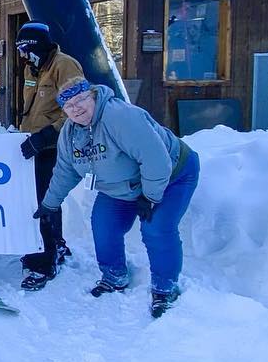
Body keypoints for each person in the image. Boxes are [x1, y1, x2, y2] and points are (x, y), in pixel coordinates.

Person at [34, 78, 199, 318]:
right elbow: (64, 172)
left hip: (171, 175)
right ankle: (114, 276)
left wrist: (151, 197)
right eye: (69, 106)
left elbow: (156, 159)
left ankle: (165, 288)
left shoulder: (120, 117)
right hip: (122, 186)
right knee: (103, 225)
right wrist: (50, 204)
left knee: (156, 228)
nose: (76, 108)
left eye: (81, 100)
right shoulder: (69, 134)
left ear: (93, 96)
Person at [15, 21, 84, 289]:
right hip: (34, 144)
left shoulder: (64, 66)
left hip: (54, 146)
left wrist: (46, 136)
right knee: (36, 196)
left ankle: (44, 262)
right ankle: (55, 243)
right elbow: (33, 107)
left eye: (24, 48)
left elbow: (79, 110)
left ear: (36, 46)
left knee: (43, 199)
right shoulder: (33, 67)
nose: (22, 55)